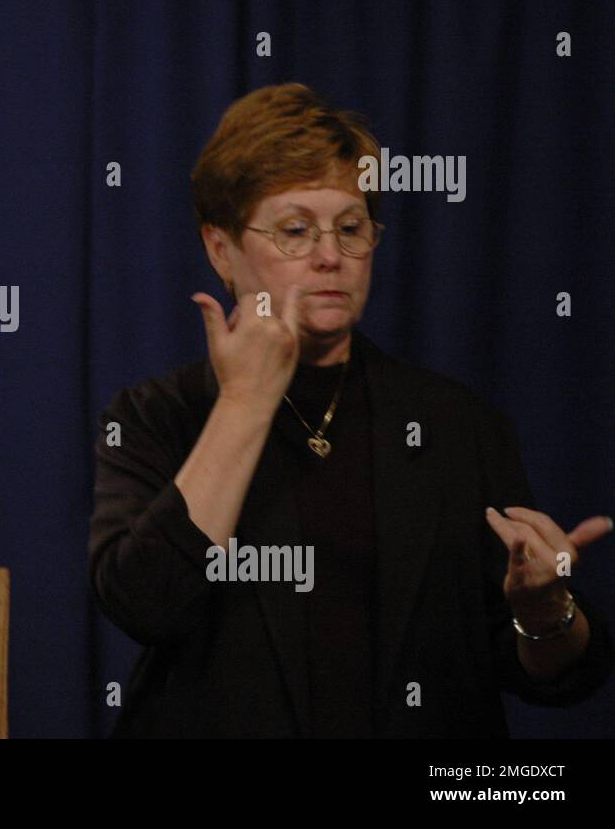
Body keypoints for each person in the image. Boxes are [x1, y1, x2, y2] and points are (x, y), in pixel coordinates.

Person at [89, 83, 612, 737]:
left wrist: (543, 611)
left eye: (350, 227)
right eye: (295, 230)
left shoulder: (455, 424)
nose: (330, 255)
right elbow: (144, 603)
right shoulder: (156, 416)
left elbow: (555, 673)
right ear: (222, 249)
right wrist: (246, 403)